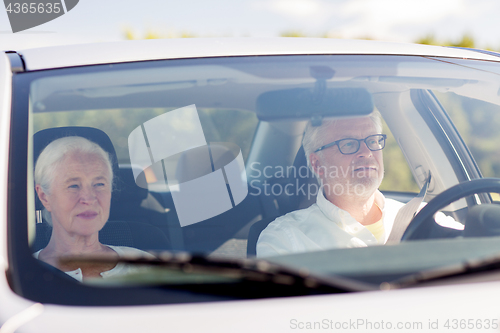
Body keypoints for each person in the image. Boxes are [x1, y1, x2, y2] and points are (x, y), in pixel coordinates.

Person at [256, 112, 461, 257]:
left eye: (372, 141)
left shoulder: (424, 218)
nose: (366, 151)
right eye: (348, 144)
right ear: (317, 164)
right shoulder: (285, 239)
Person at [34, 136, 153, 281]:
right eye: (73, 186)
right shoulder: (18, 274)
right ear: (44, 197)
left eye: (99, 184)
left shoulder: (145, 265)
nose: (89, 198)